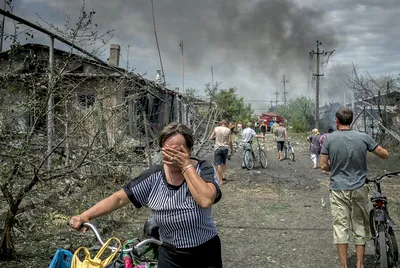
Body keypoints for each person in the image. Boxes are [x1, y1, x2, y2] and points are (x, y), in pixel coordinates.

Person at [70, 123, 223, 268]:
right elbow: (119, 198)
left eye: (177, 152)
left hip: (205, 251)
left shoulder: (203, 170)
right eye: (166, 151)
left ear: (189, 150)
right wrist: (85, 215)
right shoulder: (154, 176)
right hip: (170, 253)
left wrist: (185, 166)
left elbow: (205, 200)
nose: (171, 157)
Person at [320, 108, 388, 268]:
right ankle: (359, 264)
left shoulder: (329, 139)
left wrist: (334, 168)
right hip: (359, 187)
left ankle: (344, 265)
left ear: (337, 121)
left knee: (341, 226)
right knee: (359, 224)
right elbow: (384, 154)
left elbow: (323, 165)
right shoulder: (363, 137)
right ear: (351, 121)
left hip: (338, 189)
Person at [210, 119, 233, 185]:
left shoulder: (216, 128)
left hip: (217, 148)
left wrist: (216, 138)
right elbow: (230, 141)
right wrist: (232, 149)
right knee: (224, 162)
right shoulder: (228, 130)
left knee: (218, 164)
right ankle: (224, 175)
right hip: (225, 148)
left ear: (221, 123)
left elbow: (211, 138)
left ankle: (220, 180)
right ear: (226, 124)